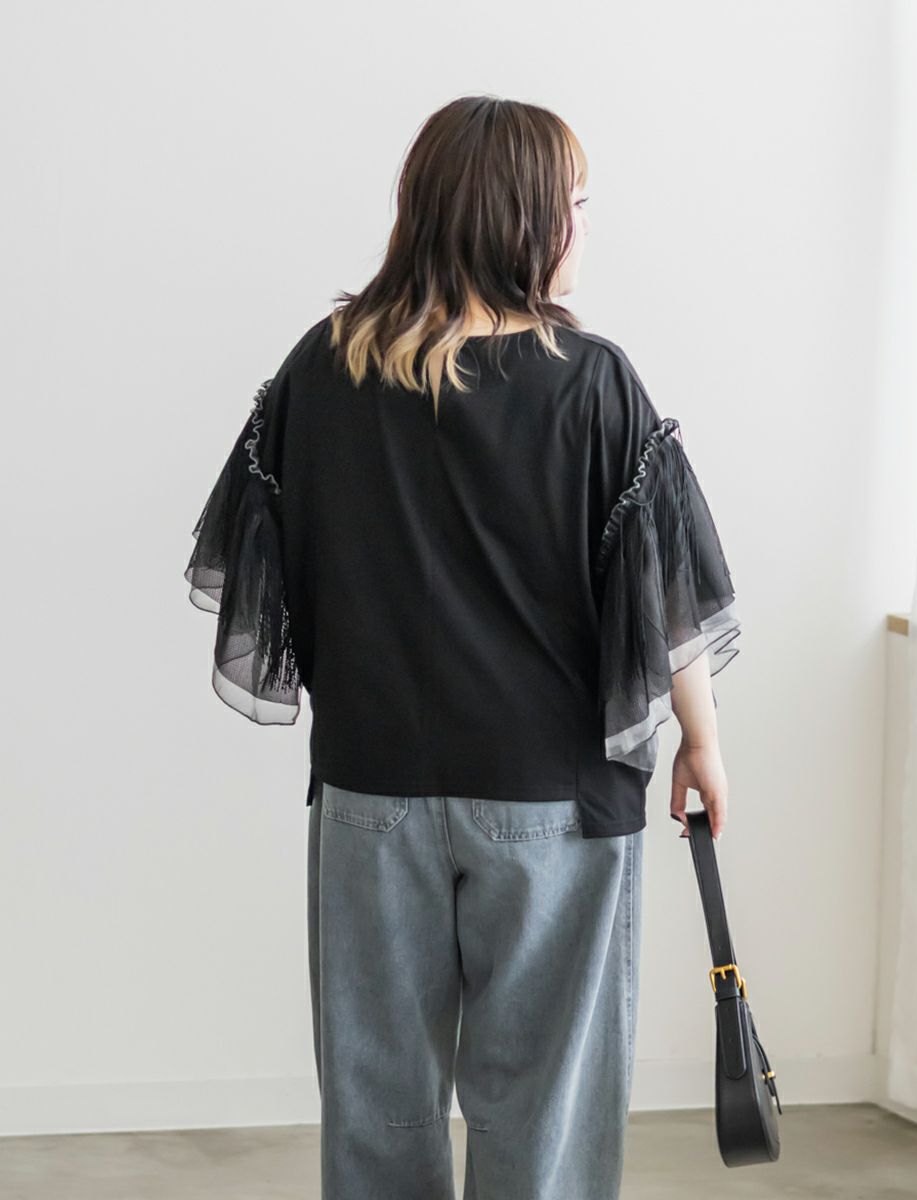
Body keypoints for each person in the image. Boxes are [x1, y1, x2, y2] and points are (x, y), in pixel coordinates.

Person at [183, 94, 740, 1200]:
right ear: (523, 218)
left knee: (376, 1110)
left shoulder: (321, 369)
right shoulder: (593, 381)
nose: (585, 226)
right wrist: (701, 741)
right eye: (575, 203)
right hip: (552, 798)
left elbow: (267, 571)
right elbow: (660, 588)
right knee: (544, 1113)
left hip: (370, 789)